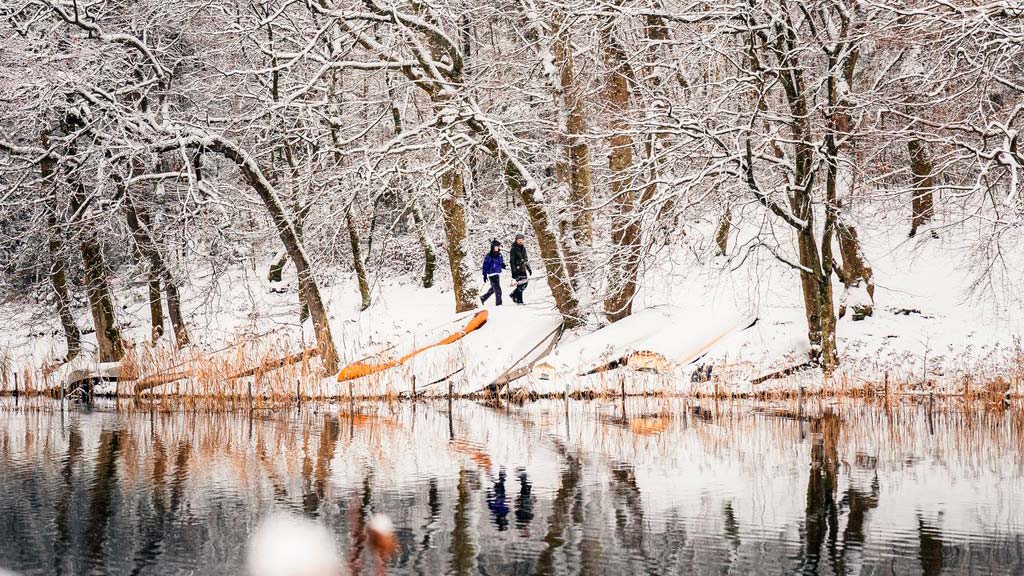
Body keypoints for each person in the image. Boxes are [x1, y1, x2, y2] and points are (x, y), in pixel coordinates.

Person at [481, 239, 506, 305]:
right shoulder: (489, 256)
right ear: (492, 247)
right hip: (491, 275)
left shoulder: (499, 255)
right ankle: (499, 304)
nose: (497, 248)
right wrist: (484, 275)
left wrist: (504, 266)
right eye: (496, 246)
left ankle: (482, 298)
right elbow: (485, 265)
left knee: (493, 289)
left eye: (498, 246)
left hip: (497, 274)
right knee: (498, 291)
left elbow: (501, 263)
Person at [509, 233, 532, 304]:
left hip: (523, 269)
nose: (520, 241)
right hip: (517, 269)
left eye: (522, 240)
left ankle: (513, 294)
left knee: (525, 284)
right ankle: (519, 301)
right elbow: (512, 261)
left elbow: (526, 259)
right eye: (519, 240)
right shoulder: (514, 249)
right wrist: (513, 272)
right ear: (516, 240)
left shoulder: (523, 248)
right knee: (520, 285)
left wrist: (529, 268)